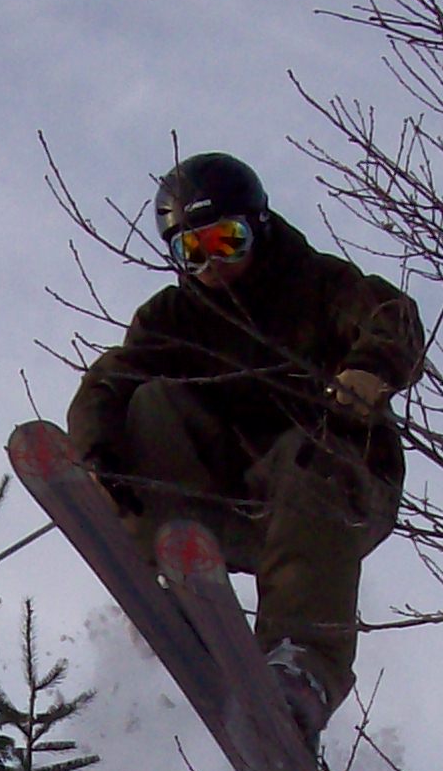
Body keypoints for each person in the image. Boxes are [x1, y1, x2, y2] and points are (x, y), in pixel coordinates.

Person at [67, 152, 424, 735]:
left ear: (258, 226)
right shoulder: (174, 316)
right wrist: (98, 457)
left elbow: (392, 317)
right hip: (229, 498)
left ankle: (301, 665)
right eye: (191, 250)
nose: (211, 264)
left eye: (226, 241)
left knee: (308, 457)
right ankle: (176, 573)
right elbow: (111, 382)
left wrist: (369, 369)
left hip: (331, 493)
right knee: (151, 401)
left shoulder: (321, 286)